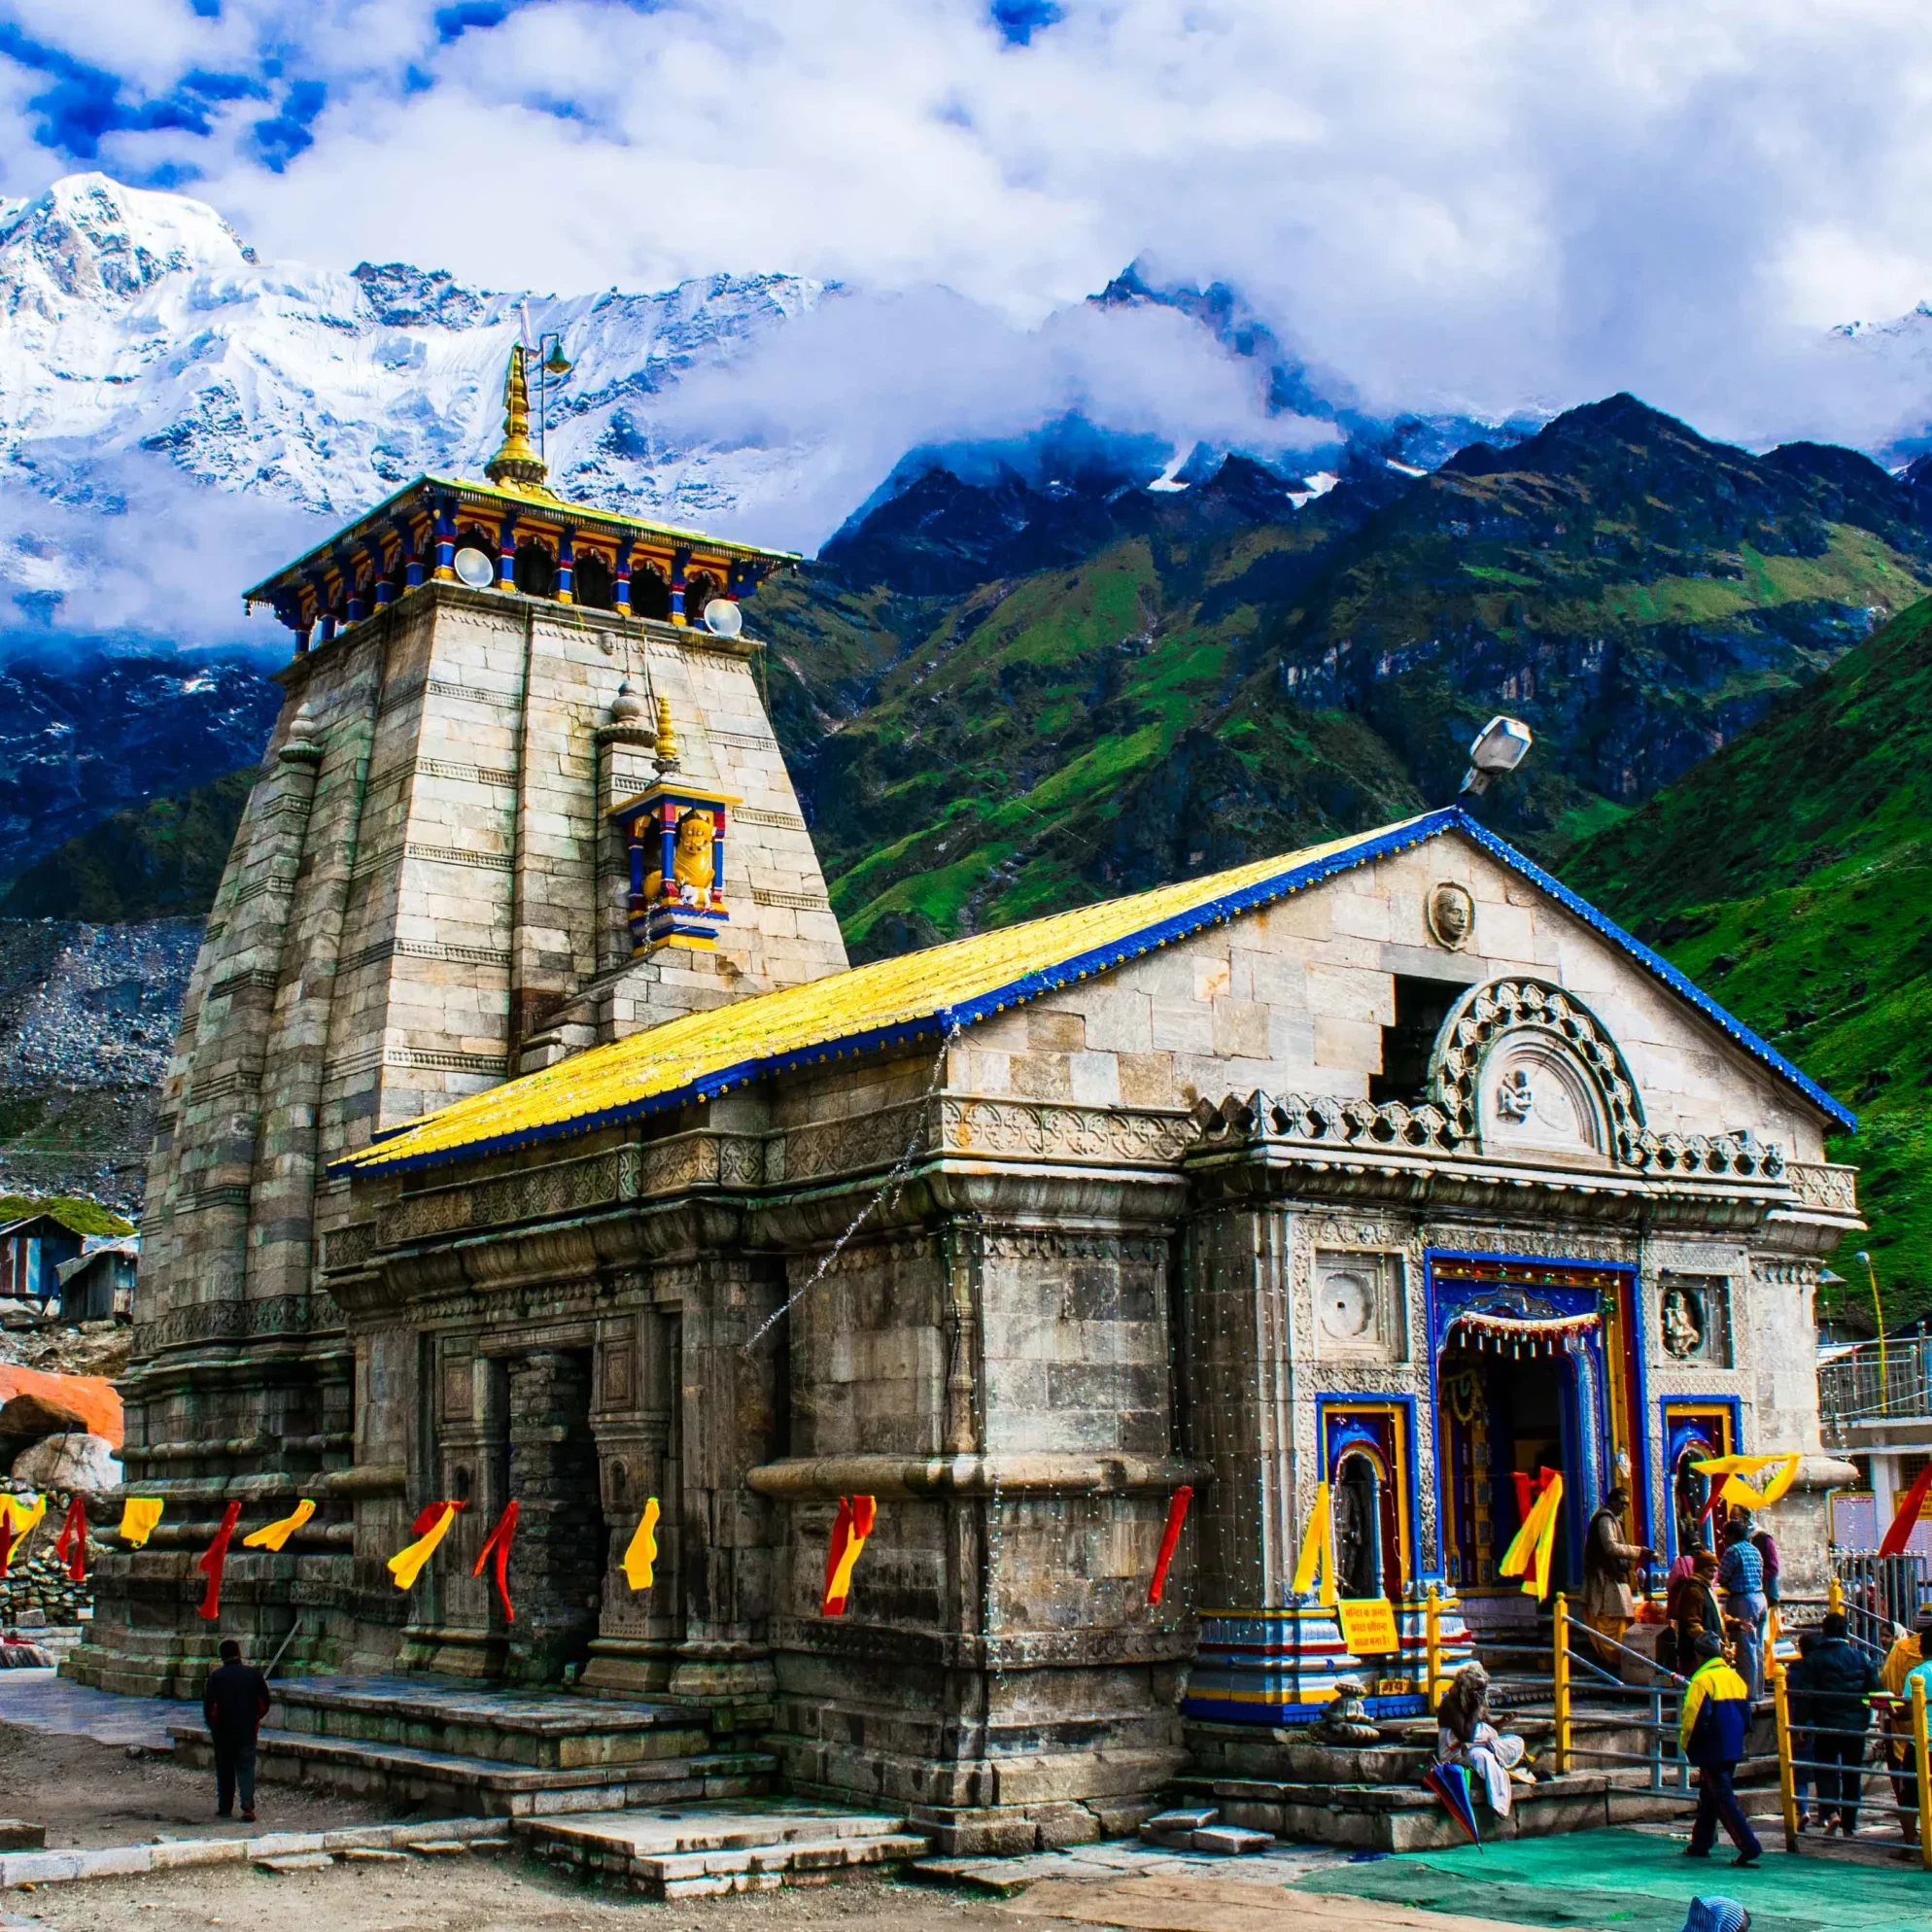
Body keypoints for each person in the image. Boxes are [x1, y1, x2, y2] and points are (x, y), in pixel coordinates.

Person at [1787, 1610, 1876, 1837]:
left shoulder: (1814, 1660)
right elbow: (1875, 1690)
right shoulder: (1862, 1657)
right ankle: (1850, 1824)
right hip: (1855, 1725)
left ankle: (1831, 1812)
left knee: (1825, 1771)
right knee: (1852, 1774)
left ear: (1824, 1632)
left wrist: (1800, 1727)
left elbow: (1805, 1697)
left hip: (1825, 1722)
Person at [1680, 1630, 1762, 1868]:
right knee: (1711, 1796)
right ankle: (1701, 1843)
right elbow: (1747, 1716)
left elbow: (1692, 1718)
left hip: (1711, 1748)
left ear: (1699, 1656)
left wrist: (1687, 1745)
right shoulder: (1734, 1678)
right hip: (1732, 1745)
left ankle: (1749, 1846)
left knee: (1723, 1798)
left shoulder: (1702, 1681)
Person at [1434, 1661, 1533, 1815]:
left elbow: (1489, 1730)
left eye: (1484, 1689)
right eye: (1478, 1689)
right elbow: (1467, 1735)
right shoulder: (1450, 1704)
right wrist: (1474, 1708)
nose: (1482, 1693)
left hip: (1480, 1745)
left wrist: (1503, 1721)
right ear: (1466, 1688)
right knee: (1484, 1757)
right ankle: (1498, 1803)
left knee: (1516, 1741)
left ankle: (1496, 1753)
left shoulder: (1478, 1701)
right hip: (1458, 1752)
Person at [1581, 1484, 1657, 1667]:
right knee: (1609, 1617)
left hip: (1614, 1576)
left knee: (1620, 1616)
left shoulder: (1613, 1519)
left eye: (1627, 1504)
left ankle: (1617, 1658)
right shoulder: (1605, 1519)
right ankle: (1609, 1659)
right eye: (1622, 1503)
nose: (1624, 1507)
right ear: (1612, 1502)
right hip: (1604, 1579)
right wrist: (1639, 1552)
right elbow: (1611, 1547)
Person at [201, 1639, 271, 1822]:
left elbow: (209, 1708)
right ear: (239, 1653)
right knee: (246, 1768)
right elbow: (265, 1701)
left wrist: (213, 1726)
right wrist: (255, 1719)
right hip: (247, 1730)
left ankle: (225, 1807)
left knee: (225, 1769)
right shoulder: (253, 1674)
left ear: (222, 1656)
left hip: (223, 1731)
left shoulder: (216, 1677)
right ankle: (247, 1806)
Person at [1716, 1518, 1767, 1699]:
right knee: (1757, 1646)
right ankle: (1758, 1691)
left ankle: (1748, 1693)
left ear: (1731, 1536)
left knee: (1745, 1648)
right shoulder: (1754, 1550)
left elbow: (1722, 1576)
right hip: (1760, 1598)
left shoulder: (1733, 1551)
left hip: (1744, 1599)